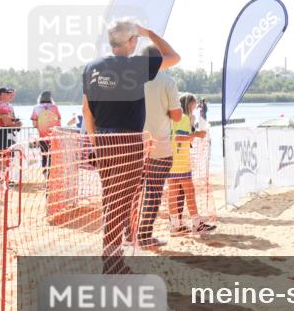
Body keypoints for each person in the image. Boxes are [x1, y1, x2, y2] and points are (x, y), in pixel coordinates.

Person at [82, 19, 180, 274]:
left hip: (103, 139)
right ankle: (111, 262)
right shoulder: (136, 66)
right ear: (131, 42)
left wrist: (95, 141)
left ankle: (113, 260)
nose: (137, 43)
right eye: (136, 39)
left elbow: (86, 110)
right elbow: (173, 56)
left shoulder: (91, 67)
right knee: (121, 204)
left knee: (111, 200)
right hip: (127, 141)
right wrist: (149, 32)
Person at [136, 46, 182, 249]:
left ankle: (129, 234)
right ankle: (144, 235)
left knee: (131, 193)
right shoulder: (168, 81)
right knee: (153, 192)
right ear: (160, 61)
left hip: (134, 145)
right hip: (160, 145)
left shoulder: (131, 80)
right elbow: (177, 115)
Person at [167, 93, 216, 235]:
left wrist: (194, 133)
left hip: (170, 160)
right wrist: (195, 135)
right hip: (181, 162)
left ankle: (175, 225)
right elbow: (179, 138)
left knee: (173, 193)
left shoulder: (171, 118)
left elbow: (175, 137)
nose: (193, 110)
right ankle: (197, 224)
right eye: (193, 107)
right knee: (189, 193)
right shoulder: (183, 118)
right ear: (188, 105)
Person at [30, 91, 61, 177]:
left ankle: (45, 175)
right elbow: (59, 122)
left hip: (42, 137)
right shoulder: (55, 107)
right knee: (53, 156)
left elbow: (34, 124)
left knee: (44, 156)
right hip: (54, 136)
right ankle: (52, 176)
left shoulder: (36, 108)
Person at [0, 87, 21, 175]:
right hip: (3, 134)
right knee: (5, 156)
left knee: (3, 156)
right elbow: (6, 122)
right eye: (8, 93)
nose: (10, 95)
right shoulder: (2, 105)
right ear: (2, 95)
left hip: (4, 133)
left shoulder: (5, 105)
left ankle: (3, 178)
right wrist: (18, 124)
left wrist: (15, 123)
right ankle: (4, 179)